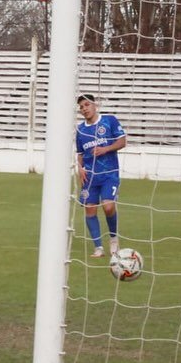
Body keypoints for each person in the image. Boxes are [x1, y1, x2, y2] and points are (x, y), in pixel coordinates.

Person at [75, 93, 126, 258]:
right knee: (90, 210)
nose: (84, 109)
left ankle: (113, 238)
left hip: (109, 174)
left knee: (108, 206)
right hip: (90, 176)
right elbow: (80, 153)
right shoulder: (80, 130)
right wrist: (80, 168)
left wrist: (105, 149)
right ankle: (98, 248)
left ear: (94, 105)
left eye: (86, 105)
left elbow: (122, 141)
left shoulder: (109, 120)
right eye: (81, 107)